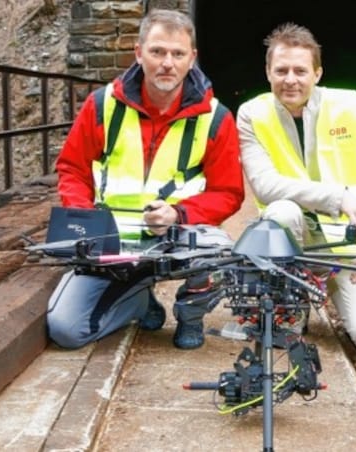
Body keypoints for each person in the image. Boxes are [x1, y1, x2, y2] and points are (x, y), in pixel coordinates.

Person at [48, 9, 244, 350]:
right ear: (139, 53)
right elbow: (72, 169)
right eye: (157, 52)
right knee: (66, 330)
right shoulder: (102, 105)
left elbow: (228, 192)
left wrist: (177, 214)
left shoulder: (216, 118)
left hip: (174, 238)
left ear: (191, 59)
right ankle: (138, 301)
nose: (167, 62)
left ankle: (190, 316)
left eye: (178, 54)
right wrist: (87, 223)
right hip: (112, 242)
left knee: (220, 250)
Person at [236, 23, 356, 354]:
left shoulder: (353, 107)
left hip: (351, 253)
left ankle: (335, 290)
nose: (290, 79)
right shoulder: (252, 114)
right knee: (280, 211)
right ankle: (293, 298)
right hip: (294, 243)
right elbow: (263, 185)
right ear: (267, 72)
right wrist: (337, 197)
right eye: (281, 70)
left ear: (317, 73)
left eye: (300, 70)